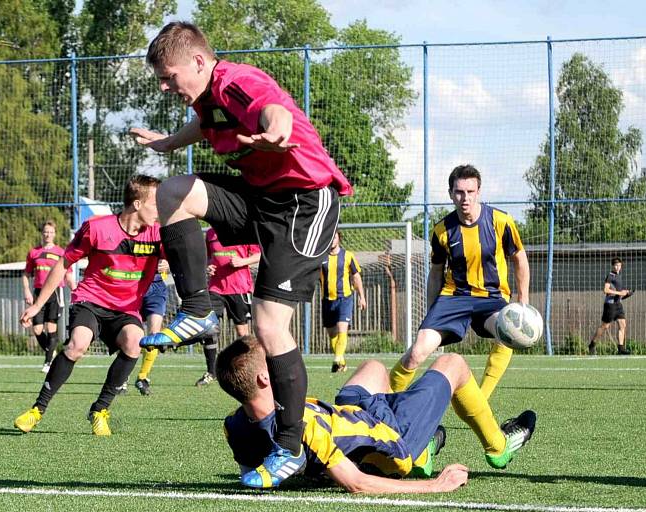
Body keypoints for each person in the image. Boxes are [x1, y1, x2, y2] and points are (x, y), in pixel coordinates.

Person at [130, 22, 351, 485]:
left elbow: (274, 110)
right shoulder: (207, 99)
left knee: (270, 325)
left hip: (303, 204)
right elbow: (205, 123)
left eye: (170, 77)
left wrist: (275, 132)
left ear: (197, 61)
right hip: (261, 198)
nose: (166, 87)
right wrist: (168, 142)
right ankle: (197, 310)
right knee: (173, 193)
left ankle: (289, 447)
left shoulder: (237, 81)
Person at [218, 335, 536, 492]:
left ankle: (425, 437)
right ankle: (498, 448)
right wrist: (434, 486)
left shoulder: (234, 425)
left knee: (373, 368)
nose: (283, 362)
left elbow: (257, 473)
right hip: (390, 440)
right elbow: (356, 483)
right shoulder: (302, 427)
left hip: (354, 415)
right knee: (453, 363)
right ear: (263, 379)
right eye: (274, 360)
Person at [13, 175, 163, 437]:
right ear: (137, 204)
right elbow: (63, 263)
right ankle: (37, 410)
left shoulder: (159, 235)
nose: (160, 211)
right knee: (78, 344)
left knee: (134, 340)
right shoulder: (96, 228)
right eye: (155, 204)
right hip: (91, 301)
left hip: (125, 309)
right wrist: (37, 305)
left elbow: (185, 257)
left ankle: (100, 410)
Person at [389, 165, 529, 400]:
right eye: (459, 192)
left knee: (508, 333)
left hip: (492, 298)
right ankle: (387, 398)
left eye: (470, 191)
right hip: (454, 297)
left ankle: (481, 400)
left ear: (479, 192)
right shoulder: (442, 230)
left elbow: (520, 258)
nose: (465, 198)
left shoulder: (501, 222)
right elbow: (435, 273)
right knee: (417, 351)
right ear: (450, 193)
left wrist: (523, 300)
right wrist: (432, 310)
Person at [195, 228, 260, 387]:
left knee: (242, 332)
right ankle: (211, 372)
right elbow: (209, 258)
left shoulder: (244, 231)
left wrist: (242, 261)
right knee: (209, 328)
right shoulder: (210, 233)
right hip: (215, 288)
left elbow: (259, 254)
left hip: (238, 288)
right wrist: (208, 266)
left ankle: (246, 371)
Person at [22, 221, 77, 373]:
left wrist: (75, 290)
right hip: (38, 293)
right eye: (46, 231)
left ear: (54, 234)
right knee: (37, 330)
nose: (48, 234)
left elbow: (68, 274)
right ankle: (50, 350)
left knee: (50, 327)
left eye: (51, 232)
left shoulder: (61, 252)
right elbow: (26, 274)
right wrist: (27, 291)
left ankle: (48, 362)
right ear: (42, 233)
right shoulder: (34, 252)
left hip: (55, 293)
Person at [320, 231, 367, 373]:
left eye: (334, 237)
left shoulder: (348, 256)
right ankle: (342, 363)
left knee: (342, 329)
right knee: (332, 334)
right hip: (327, 300)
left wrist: (362, 296)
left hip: (344, 298)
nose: (332, 240)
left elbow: (356, 277)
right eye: (329, 237)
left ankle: (337, 358)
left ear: (339, 238)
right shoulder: (321, 257)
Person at [133, 258, 171, 396]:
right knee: (130, 335)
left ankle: (142, 377)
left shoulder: (163, 238)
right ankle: (122, 379)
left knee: (154, 336)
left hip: (156, 288)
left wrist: (168, 264)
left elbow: (178, 257)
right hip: (133, 285)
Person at [588, 257, 633, 355]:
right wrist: (619, 293)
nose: (618, 267)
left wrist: (626, 294)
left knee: (622, 324)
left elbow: (618, 293)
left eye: (619, 265)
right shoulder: (610, 276)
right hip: (610, 305)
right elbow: (606, 290)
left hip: (618, 305)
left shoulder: (619, 276)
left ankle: (621, 349)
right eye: (616, 265)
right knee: (605, 326)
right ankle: (592, 344)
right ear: (612, 266)